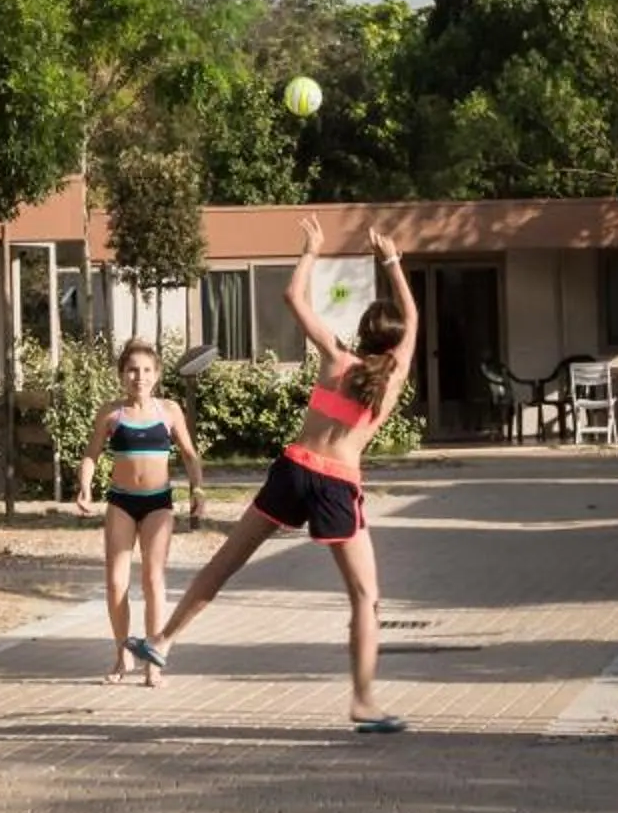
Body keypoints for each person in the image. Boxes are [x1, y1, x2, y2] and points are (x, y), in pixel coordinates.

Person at [125, 214, 417, 733]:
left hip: (294, 469)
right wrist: (392, 262)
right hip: (335, 483)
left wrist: (311, 250)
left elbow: (292, 298)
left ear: (361, 334)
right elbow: (413, 320)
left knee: (227, 560)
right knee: (364, 598)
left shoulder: (335, 358)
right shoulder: (390, 381)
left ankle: (163, 640)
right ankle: (364, 700)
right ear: (393, 345)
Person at [74, 338, 203, 685]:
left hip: (158, 504)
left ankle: (153, 660)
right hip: (121, 502)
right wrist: (85, 486)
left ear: (157, 374)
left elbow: (190, 455)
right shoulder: (111, 413)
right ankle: (122, 654)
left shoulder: (169, 411)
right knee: (116, 583)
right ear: (121, 375)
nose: (139, 377)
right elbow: (91, 454)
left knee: (152, 580)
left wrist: (198, 490)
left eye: (146, 370)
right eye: (132, 370)